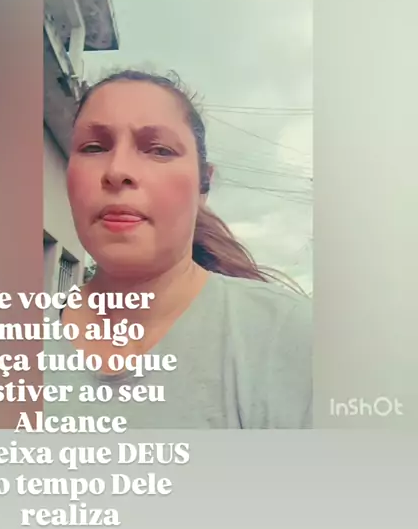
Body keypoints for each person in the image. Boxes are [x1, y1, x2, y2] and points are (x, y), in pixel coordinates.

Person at [46, 69, 312, 428]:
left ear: (203, 185)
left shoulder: (292, 338)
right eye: (94, 147)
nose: (117, 170)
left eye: (159, 150)